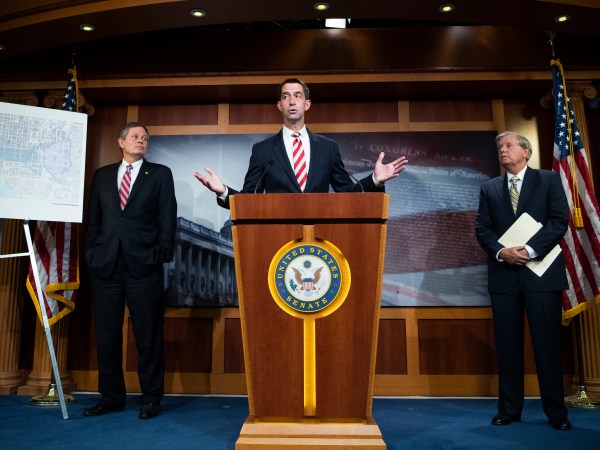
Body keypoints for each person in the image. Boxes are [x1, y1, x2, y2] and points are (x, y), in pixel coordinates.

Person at [475, 131, 571, 431]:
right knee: (508, 348)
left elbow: (559, 220)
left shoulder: (549, 180)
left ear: (525, 152)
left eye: (508, 146)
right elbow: (482, 228)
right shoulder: (489, 188)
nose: (502, 151)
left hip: (542, 276)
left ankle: (556, 414)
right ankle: (509, 410)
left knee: (548, 347)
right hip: (504, 278)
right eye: (499, 147)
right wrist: (502, 251)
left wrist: (529, 250)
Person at [84, 122, 177, 420]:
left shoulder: (160, 174)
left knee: (148, 336)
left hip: (143, 266)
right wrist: (91, 255)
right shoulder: (102, 176)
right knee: (107, 336)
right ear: (121, 142)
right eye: (135, 137)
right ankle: (111, 397)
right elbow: (93, 221)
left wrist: (160, 255)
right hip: (106, 266)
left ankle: (151, 398)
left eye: (145, 138)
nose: (141, 141)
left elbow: (167, 217)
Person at [193, 78, 408, 205]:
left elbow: (347, 195)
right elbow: (250, 200)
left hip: (320, 235)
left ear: (307, 104)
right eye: (286, 96)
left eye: (297, 95)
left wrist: (375, 180)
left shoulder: (328, 148)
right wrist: (223, 192)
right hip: (278, 235)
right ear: (279, 105)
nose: (292, 101)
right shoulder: (262, 151)